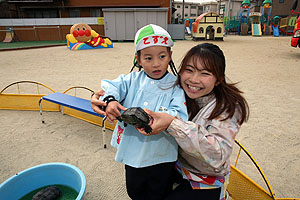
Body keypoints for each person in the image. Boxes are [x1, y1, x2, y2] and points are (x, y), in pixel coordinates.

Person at [137, 43, 250, 200]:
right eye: (189, 70)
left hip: (204, 178)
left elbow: (218, 155)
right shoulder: (176, 91)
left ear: (218, 80)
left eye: (205, 73)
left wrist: (172, 124)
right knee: (139, 186)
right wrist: (108, 98)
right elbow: (139, 91)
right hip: (174, 166)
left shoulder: (228, 106)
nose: (194, 80)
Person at [91, 24, 188, 200]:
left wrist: (165, 119)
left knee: (160, 191)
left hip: (162, 154)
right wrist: (111, 100)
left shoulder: (176, 86)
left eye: (162, 56)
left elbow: (180, 113)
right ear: (138, 59)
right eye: (148, 58)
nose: (156, 63)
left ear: (170, 56)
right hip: (132, 152)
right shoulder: (131, 80)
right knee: (134, 190)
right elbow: (111, 87)